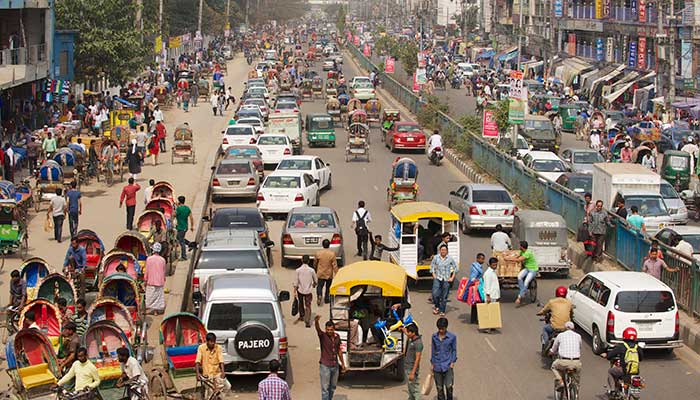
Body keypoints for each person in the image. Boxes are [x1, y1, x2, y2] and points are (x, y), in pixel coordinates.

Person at [601, 327, 641, 394]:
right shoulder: (637, 347)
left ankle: (612, 390)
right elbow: (641, 358)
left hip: (624, 370)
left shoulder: (621, 347)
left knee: (610, 371)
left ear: (624, 336)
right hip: (635, 371)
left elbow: (610, 356)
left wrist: (605, 355)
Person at [314, 315, 345, 400]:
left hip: (335, 366)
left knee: (332, 387)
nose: (329, 331)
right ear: (325, 329)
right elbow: (318, 329)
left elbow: (339, 350)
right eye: (327, 330)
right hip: (325, 366)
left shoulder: (337, 337)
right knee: (325, 389)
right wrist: (316, 322)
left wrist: (343, 364)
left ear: (333, 329)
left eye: (331, 330)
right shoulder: (323, 336)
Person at [549, 321, 582, 392]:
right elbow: (579, 348)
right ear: (573, 328)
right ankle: (576, 388)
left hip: (564, 362)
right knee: (576, 376)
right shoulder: (578, 336)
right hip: (576, 362)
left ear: (565, 328)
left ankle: (560, 381)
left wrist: (550, 352)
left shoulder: (560, 335)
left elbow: (553, 349)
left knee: (554, 366)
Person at [431, 317, 457, 400]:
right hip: (437, 366)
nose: (441, 331)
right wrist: (432, 363)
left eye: (442, 329)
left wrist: (452, 362)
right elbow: (433, 350)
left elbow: (454, 350)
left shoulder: (452, 337)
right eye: (439, 329)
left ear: (446, 327)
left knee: (449, 386)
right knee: (439, 388)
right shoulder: (434, 337)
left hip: (448, 365)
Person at [430, 245, 458, 316]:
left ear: (447, 251)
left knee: (444, 296)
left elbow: (456, 268)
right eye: (442, 250)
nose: (443, 251)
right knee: (435, 294)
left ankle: (442, 310)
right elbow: (432, 266)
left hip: (446, 279)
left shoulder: (450, 258)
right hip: (438, 278)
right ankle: (437, 306)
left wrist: (452, 277)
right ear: (440, 250)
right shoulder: (436, 258)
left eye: (444, 250)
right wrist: (434, 275)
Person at [294, 255, 317, 328]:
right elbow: (315, 280)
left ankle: (301, 316)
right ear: (309, 261)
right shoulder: (311, 270)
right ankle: (307, 321)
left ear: (301, 260)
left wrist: (294, 290)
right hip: (308, 291)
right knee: (308, 305)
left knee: (300, 303)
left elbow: (296, 281)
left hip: (300, 290)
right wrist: (314, 285)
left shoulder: (298, 270)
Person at [144, 243, 167, 314]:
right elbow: (164, 271)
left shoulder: (149, 259)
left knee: (150, 296)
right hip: (160, 281)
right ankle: (156, 311)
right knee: (158, 297)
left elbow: (147, 270)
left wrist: (145, 279)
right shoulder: (163, 260)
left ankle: (150, 310)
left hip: (151, 280)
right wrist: (163, 278)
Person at [314, 239, 338, 306]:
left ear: (322, 245)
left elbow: (315, 263)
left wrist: (315, 269)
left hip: (321, 272)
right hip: (328, 273)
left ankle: (319, 295)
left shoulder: (318, 253)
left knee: (319, 286)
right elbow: (334, 265)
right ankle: (327, 299)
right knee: (328, 287)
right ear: (329, 245)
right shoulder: (332, 254)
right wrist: (337, 273)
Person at [403, 323, 423, 400]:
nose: (407, 334)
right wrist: (403, 330)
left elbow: (418, 359)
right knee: (410, 388)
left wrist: (413, 372)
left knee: (415, 389)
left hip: (411, 368)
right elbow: (407, 334)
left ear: (413, 333)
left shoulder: (418, 343)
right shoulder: (412, 339)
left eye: (409, 332)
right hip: (407, 367)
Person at [175, 196, 194, 260]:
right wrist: (192, 226)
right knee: (179, 237)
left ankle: (184, 256)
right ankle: (189, 244)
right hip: (185, 227)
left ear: (179, 202)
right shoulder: (187, 208)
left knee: (181, 242)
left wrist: (176, 207)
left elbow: (173, 215)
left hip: (181, 227)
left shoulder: (179, 209)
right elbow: (191, 218)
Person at [468, 253, 485, 323]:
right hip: (476, 287)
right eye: (481, 259)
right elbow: (473, 278)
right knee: (478, 303)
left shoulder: (477, 266)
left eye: (483, 259)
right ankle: (476, 319)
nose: (483, 260)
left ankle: (474, 319)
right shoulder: (476, 268)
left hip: (477, 286)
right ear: (477, 259)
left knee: (475, 303)